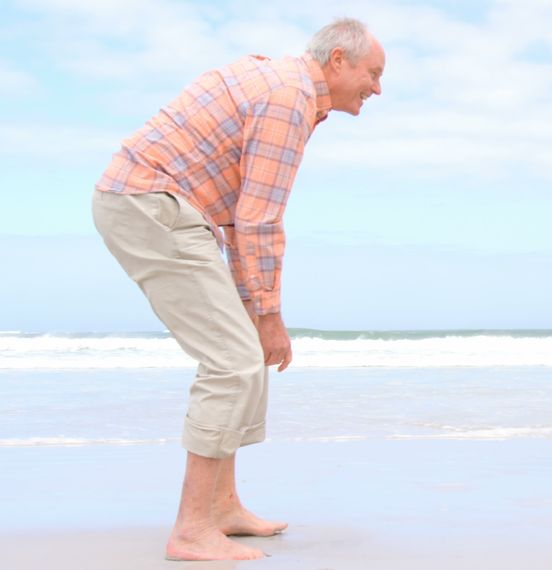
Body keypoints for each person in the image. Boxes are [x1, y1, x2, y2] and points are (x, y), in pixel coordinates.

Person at [91, 18, 385, 561]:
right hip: (150, 203)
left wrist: (256, 309)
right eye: (374, 73)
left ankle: (221, 508)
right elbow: (258, 219)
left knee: (243, 349)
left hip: (164, 206)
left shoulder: (282, 84)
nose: (378, 88)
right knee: (233, 361)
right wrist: (269, 316)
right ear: (338, 60)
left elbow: (237, 217)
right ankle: (191, 529)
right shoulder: (289, 98)